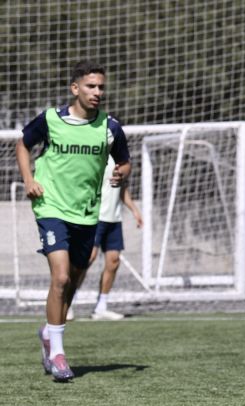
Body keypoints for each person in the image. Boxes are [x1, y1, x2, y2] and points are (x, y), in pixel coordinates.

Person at [15, 60, 131, 381]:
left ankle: (48, 333)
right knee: (61, 277)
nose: (97, 92)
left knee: (72, 283)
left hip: (86, 213)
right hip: (50, 207)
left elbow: (124, 161)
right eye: (91, 86)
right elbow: (22, 144)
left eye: (101, 87)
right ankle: (58, 355)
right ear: (75, 88)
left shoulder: (110, 127)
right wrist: (28, 180)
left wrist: (121, 173)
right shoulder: (51, 119)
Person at [68, 160, 143, 321]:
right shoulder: (96, 156)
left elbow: (121, 188)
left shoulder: (121, 160)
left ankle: (101, 307)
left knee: (114, 261)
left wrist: (134, 210)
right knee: (87, 258)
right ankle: (68, 301)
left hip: (114, 219)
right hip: (94, 217)